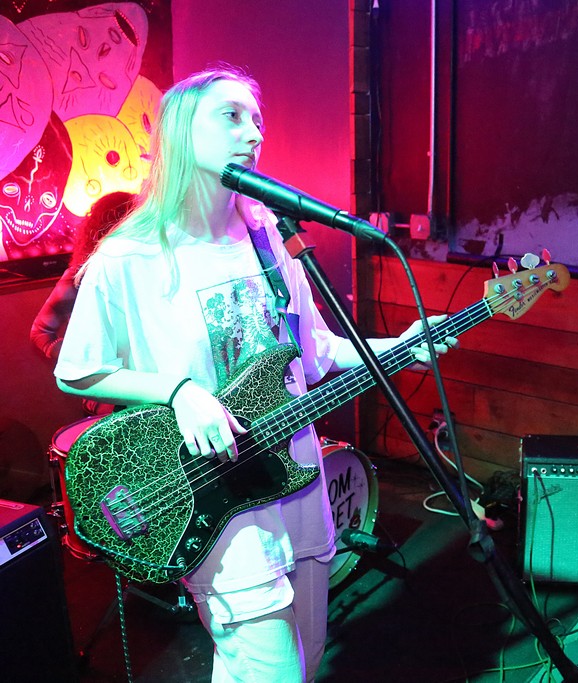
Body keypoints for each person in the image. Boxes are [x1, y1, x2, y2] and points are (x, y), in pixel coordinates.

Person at [53, 65, 456, 683]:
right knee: (271, 671)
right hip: (217, 495)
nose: (254, 133)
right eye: (232, 116)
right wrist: (178, 392)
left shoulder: (269, 238)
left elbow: (315, 349)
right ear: (181, 131)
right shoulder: (130, 256)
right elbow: (76, 370)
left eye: (257, 120)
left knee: (304, 659)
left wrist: (396, 346)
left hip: (296, 479)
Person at [31, 191, 136, 415]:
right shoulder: (82, 274)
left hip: (145, 385)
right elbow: (41, 331)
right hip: (110, 397)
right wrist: (80, 358)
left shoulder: (146, 270)